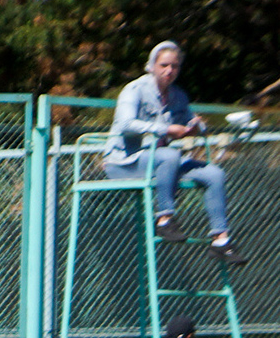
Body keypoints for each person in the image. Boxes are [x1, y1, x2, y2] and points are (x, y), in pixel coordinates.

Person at [104, 41, 248, 266]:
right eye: (164, 65)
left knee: (214, 174)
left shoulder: (178, 95)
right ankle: (164, 219)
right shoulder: (135, 89)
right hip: (124, 162)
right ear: (151, 66)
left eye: (175, 66)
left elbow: (190, 124)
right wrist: (165, 129)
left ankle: (221, 241)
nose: (169, 71)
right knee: (169, 155)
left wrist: (196, 127)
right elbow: (124, 124)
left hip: (160, 162)